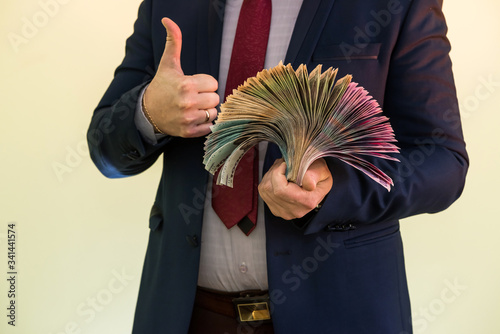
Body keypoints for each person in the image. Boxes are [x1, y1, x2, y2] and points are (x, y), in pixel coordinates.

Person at [87, 0, 468, 333]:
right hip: (186, 316)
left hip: (342, 316)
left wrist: (333, 189)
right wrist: (148, 113)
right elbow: (105, 149)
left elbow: (442, 160)